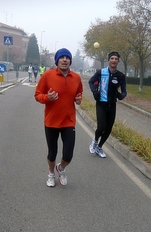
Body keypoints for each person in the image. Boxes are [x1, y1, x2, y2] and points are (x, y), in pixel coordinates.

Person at [34, 48, 83, 187]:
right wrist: (47, 98)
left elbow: (78, 94)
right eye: (62, 57)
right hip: (51, 121)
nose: (65, 60)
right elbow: (37, 95)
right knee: (52, 153)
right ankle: (51, 173)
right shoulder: (48, 76)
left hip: (69, 121)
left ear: (70, 61)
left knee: (68, 155)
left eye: (67, 57)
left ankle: (61, 168)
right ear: (57, 60)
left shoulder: (76, 78)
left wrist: (78, 100)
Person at [88, 51, 127, 158]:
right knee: (101, 127)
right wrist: (95, 91)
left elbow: (124, 91)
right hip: (101, 103)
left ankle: (99, 147)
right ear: (109, 60)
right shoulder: (101, 72)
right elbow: (91, 82)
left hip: (112, 104)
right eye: (112, 58)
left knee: (109, 128)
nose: (114, 60)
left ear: (118, 62)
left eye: (116, 59)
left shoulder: (121, 76)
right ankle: (95, 141)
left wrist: (121, 96)